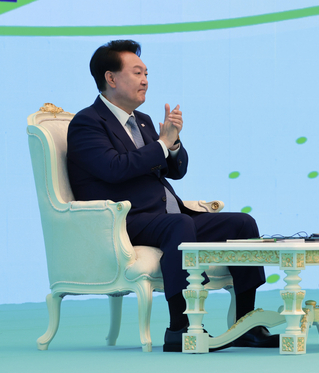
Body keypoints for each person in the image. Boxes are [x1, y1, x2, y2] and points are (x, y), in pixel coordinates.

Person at [66, 39, 279, 351]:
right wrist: (162, 145)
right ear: (110, 78)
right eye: (137, 73)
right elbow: (113, 168)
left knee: (242, 225)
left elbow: (175, 171)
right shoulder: (87, 122)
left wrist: (173, 144)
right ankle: (181, 328)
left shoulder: (143, 121)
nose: (145, 81)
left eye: (147, 74)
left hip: (165, 215)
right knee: (179, 227)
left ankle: (245, 324)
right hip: (126, 219)